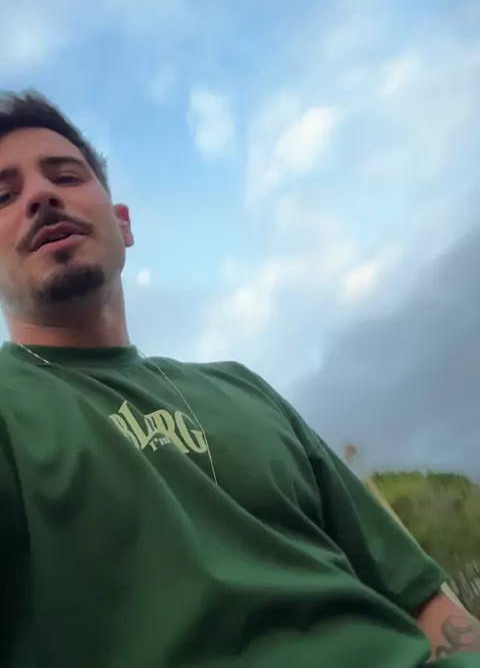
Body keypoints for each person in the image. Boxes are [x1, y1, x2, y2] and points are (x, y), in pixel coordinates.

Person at [0, 90, 478, 668]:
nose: (41, 196)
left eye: (66, 176)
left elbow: (423, 599)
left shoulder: (243, 389)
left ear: (123, 224)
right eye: (4, 195)